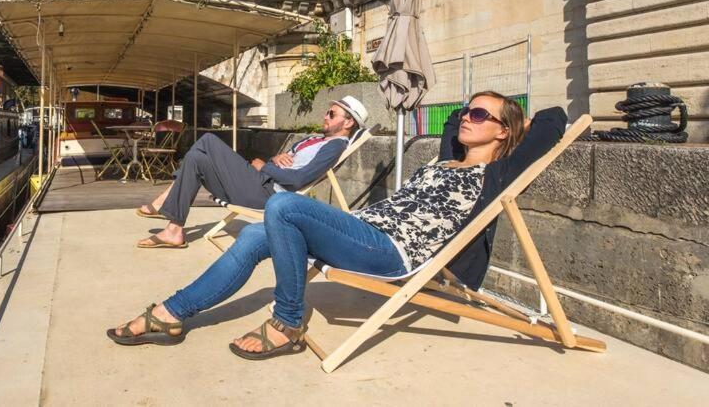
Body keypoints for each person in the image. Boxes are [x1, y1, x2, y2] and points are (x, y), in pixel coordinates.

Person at [108, 91, 567, 361]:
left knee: (283, 208)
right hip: (360, 229)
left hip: (393, 252)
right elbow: (449, 120)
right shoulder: (447, 159)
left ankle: (287, 324)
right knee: (252, 233)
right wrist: (475, 113)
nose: (467, 117)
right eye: (468, 110)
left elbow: (554, 120)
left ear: (505, 131)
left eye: (482, 115)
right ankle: (172, 314)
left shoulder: (498, 174)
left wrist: (517, 120)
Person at [133, 96, 368, 249]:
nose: (325, 116)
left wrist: (263, 166)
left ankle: (166, 198)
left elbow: (299, 179)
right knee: (196, 157)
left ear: (348, 123)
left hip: (265, 193)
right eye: (327, 112)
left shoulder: (335, 146)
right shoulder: (316, 139)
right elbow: (285, 160)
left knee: (208, 140)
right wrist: (273, 160)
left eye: (332, 114)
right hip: (258, 182)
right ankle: (174, 230)